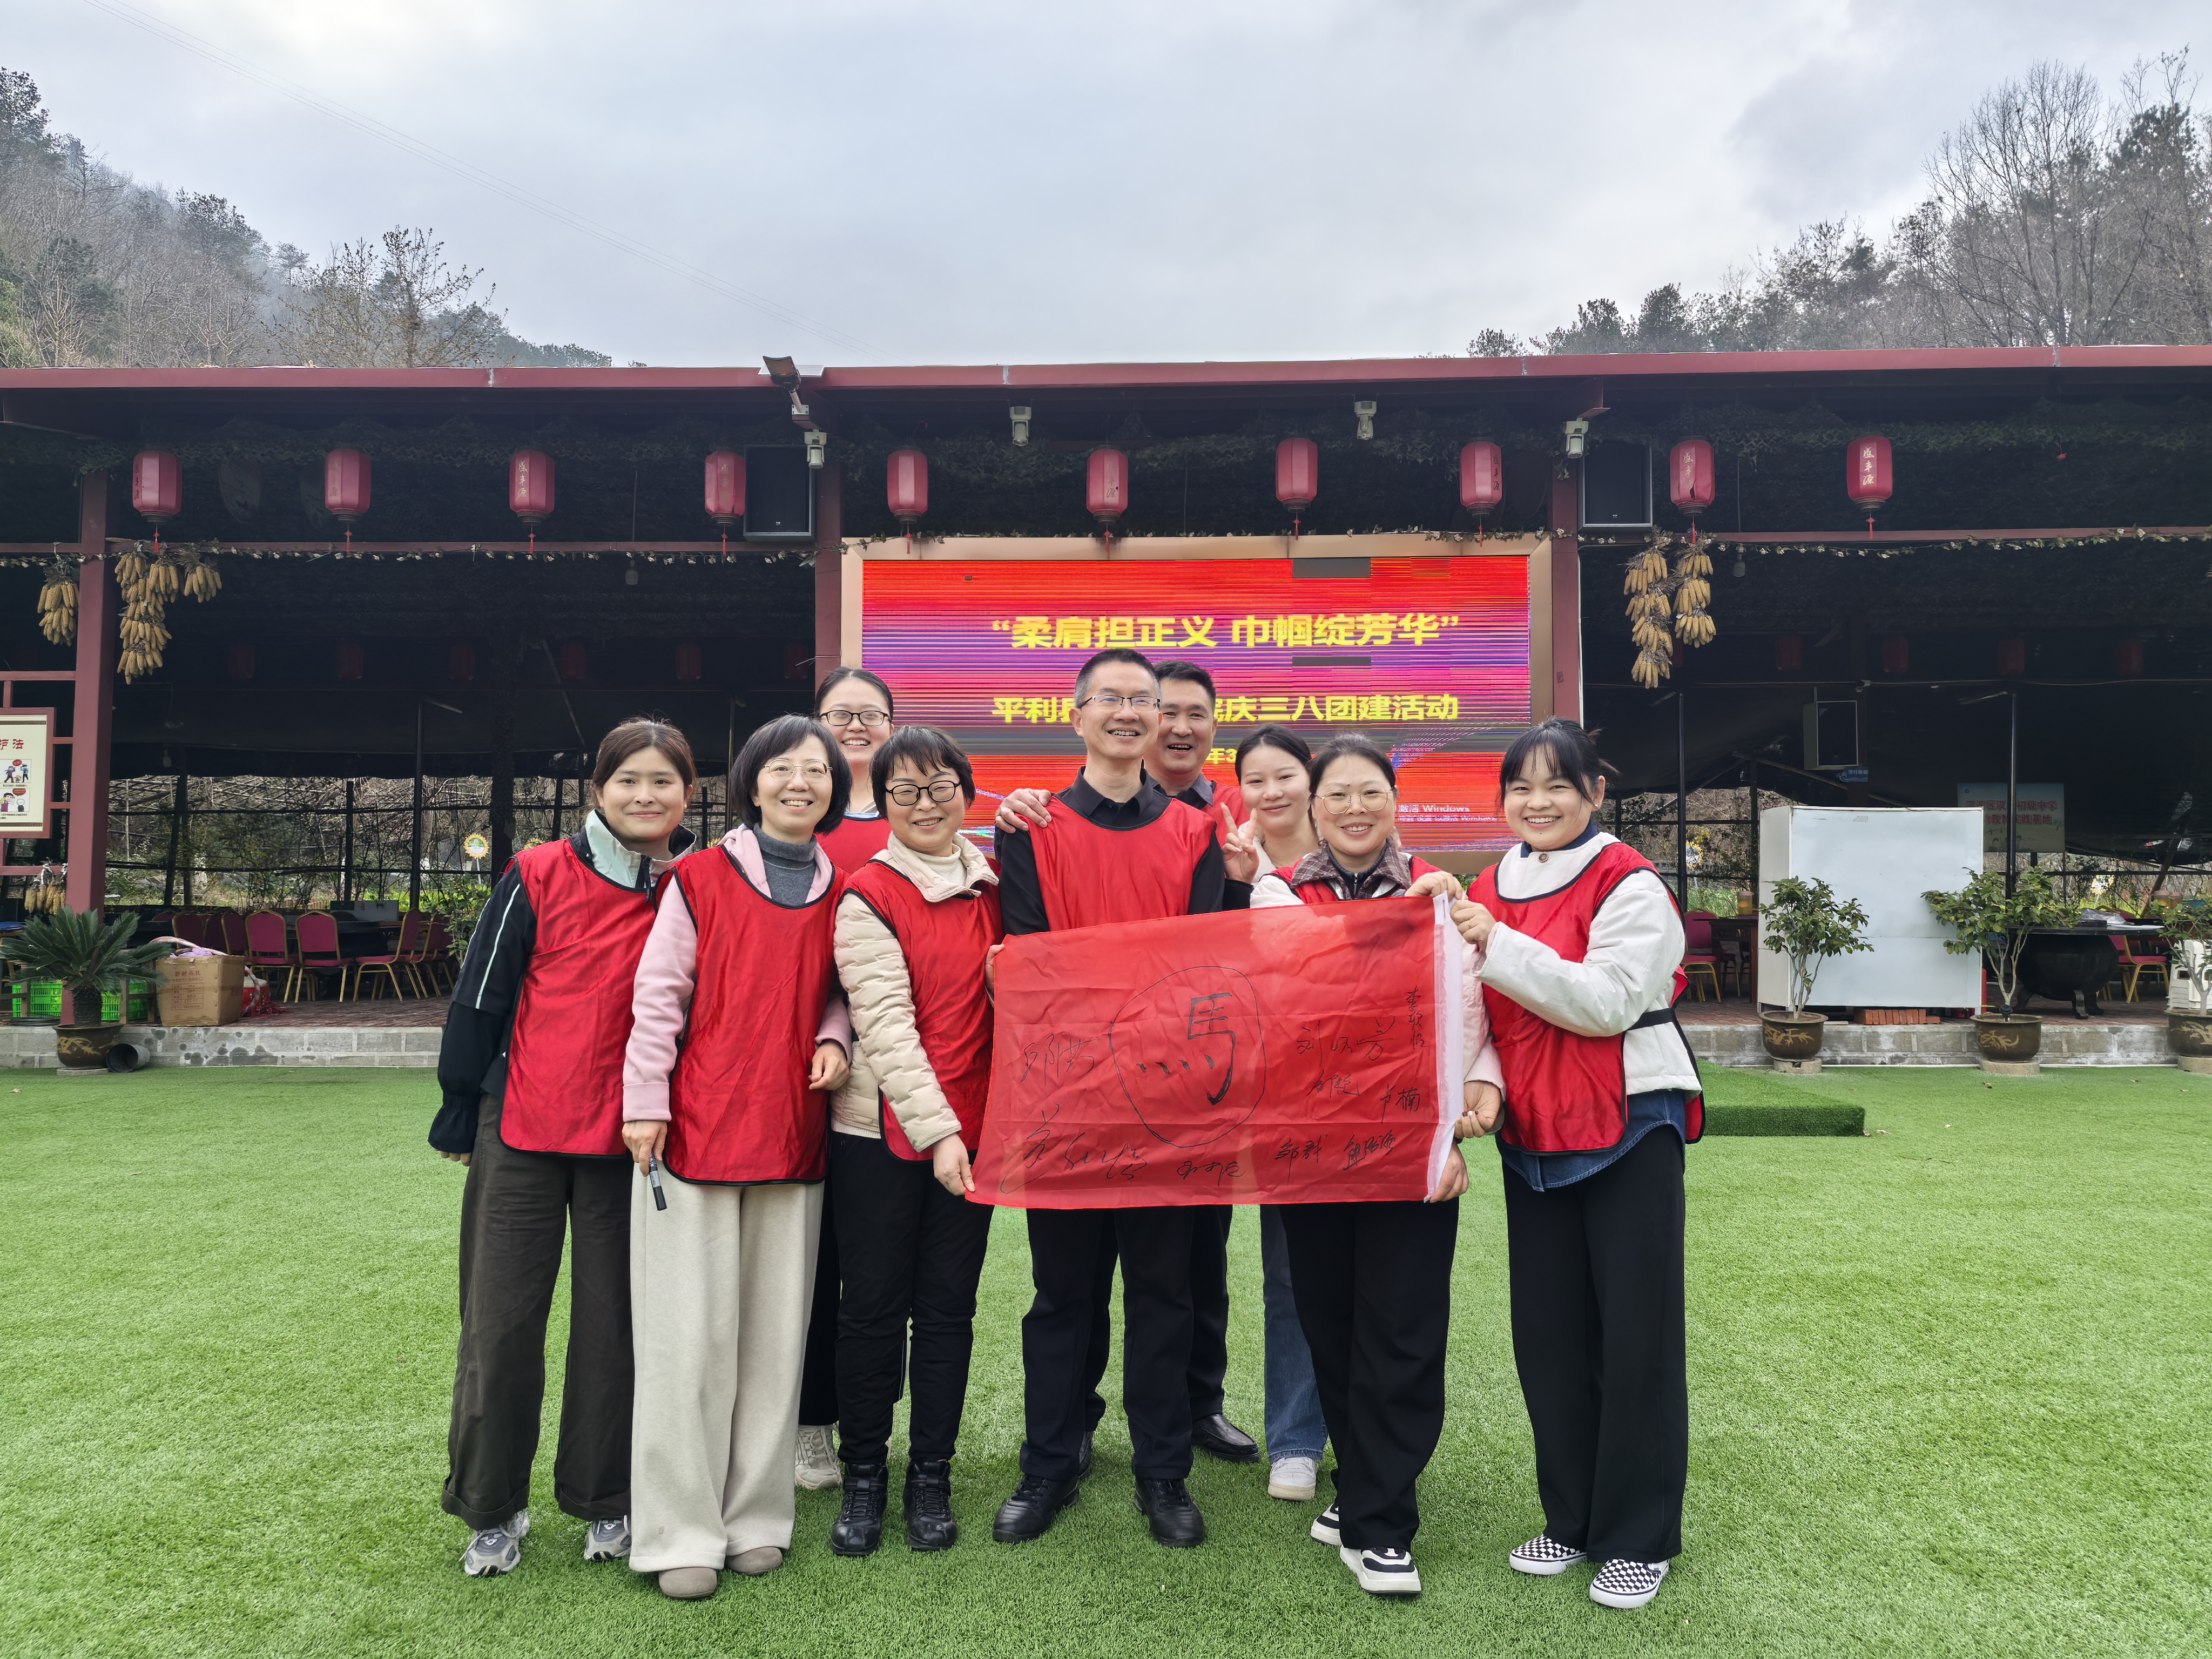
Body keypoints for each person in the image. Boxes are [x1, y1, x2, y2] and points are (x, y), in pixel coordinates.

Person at [429, 719, 699, 1579]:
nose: (646, 796)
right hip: (523, 1128)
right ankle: (491, 1508)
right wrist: (459, 1108)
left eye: (663, 781)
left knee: (615, 1329)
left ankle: (606, 1497)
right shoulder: (538, 871)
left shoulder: (697, 885)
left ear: (688, 795)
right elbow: (482, 994)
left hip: (634, 1138)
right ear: (598, 790)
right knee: (500, 1325)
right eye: (629, 780)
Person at [990, 646, 1245, 1550]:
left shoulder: (1197, 834)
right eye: (1112, 698)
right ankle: (1049, 1464)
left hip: (1165, 1101)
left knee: (1163, 1294)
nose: (1131, 712)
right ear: (1079, 715)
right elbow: (1032, 955)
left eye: (1146, 699)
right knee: (1062, 1294)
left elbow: (1203, 964)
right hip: (1064, 1101)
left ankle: (1163, 1472)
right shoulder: (1030, 827)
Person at [1450, 718, 1703, 1614]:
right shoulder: (1490, 885)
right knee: (1549, 1338)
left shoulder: (1630, 882)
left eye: (1559, 784)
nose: (1539, 802)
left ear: (1596, 792)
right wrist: (1482, 1080)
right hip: (1535, 1130)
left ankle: (1637, 1536)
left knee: (1636, 1335)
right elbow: (1481, 1015)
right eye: (1521, 787)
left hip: (1630, 1122)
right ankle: (1572, 1518)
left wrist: (1497, 943)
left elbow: (1607, 1003)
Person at [1249, 734, 1504, 1597]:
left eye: (1372, 793)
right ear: (1314, 809)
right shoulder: (1280, 893)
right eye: (1338, 796)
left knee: (1403, 1330)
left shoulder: (1441, 893)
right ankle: (1361, 1480)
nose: (1355, 809)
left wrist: (1457, 1122)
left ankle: (1383, 1525)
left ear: (1396, 802)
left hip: (1410, 1153)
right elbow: (1278, 999)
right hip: (1312, 1153)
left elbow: (1474, 1013)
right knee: (1330, 1325)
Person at [619, 714, 855, 1600]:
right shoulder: (700, 878)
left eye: (817, 770)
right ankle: (679, 1531)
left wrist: (835, 1036)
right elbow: (659, 995)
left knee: (773, 1342)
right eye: (782, 768)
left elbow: (846, 988)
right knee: (689, 1341)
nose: (801, 783)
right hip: (695, 1129)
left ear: (835, 789)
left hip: (794, 1132)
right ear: (752, 784)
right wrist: (645, 1102)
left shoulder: (845, 890)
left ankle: (756, 1519)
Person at [823, 725, 1003, 1556]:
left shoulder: (996, 887)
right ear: (884, 801)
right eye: (905, 792)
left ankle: (931, 1475)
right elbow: (886, 1028)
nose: (925, 805)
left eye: (940, 788)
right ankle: (864, 1478)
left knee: (947, 1313)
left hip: (977, 1136)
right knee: (870, 1313)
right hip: (880, 1134)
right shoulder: (868, 893)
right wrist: (941, 1134)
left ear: (966, 794)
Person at [795, 665, 901, 1493]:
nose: (856, 726)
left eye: (871, 714)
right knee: (811, 1256)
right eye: (841, 714)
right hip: (802, 1063)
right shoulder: (799, 820)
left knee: (874, 1268)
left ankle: (868, 1421)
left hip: (891, 1071)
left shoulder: (913, 819)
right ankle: (809, 1424)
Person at [1227, 725, 1327, 1502]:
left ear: (1311, 780)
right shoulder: (1225, 871)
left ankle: (1364, 1430)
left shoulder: (1359, 862)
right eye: (1255, 780)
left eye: (1285, 775)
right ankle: (1295, 1440)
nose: (1271, 792)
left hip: (1359, 1093)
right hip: (1267, 1098)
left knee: (1373, 1275)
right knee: (1289, 1271)